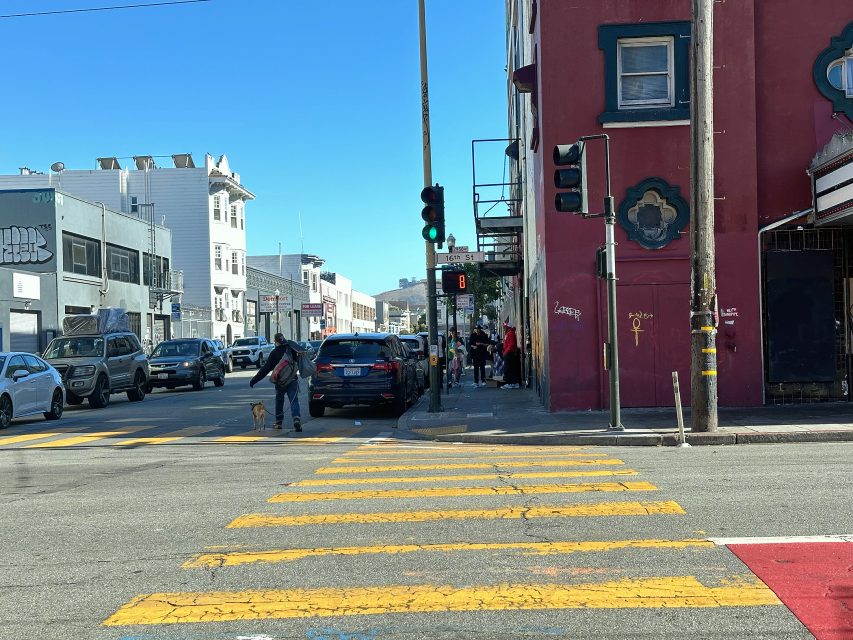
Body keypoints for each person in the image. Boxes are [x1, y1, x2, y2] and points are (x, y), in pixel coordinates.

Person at [249, 333, 302, 431]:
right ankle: (296, 418)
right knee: (294, 401)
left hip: (280, 382)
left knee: (279, 401)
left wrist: (254, 380)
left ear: (276, 341)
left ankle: (278, 422)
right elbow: (300, 362)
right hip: (292, 379)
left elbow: (265, 369)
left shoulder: (274, 353)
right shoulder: (291, 350)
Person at [468, 323, 490, 387]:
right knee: (476, 368)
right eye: (476, 329)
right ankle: (476, 381)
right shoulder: (473, 335)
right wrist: (473, 346)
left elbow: (487, 344)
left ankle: (483, 380)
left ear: (480, 329)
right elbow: (470, 344)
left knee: (482, 367)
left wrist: (481, 344)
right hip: (475, 354)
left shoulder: (484, 335)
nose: (477, 330)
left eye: (478, 329)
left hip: (482, 353)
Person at [502, 322, 521, 389]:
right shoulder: (509, 333)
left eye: (505, 327)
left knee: (508, 369)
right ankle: (513, 383)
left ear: (508, 327)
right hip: (509, 353)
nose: (504, 328)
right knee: (511, 368)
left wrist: (506, 352)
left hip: (510, 353)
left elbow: (512, 344)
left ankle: (509, 383)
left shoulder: (510, 333)